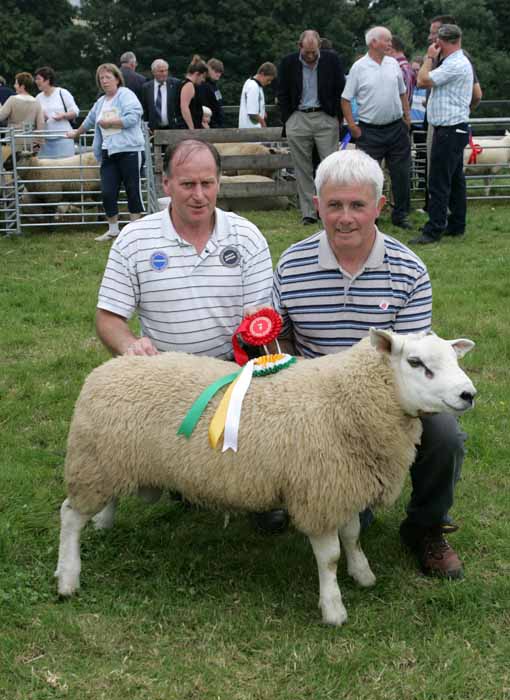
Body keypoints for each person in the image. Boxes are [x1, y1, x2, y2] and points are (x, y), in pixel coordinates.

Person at [272, 149, 467, 579]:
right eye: (334, 205)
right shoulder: (291, 264)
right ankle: (282, 497)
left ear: (378, 207)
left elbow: (416, 360)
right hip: (311, 399)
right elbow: (277, 334)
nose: (345, 217)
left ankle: (426, 527)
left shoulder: (409, 270)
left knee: (445, 434)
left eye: (358, 205)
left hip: (388, 401)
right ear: (317, 203)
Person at [342, 26, 413, 231]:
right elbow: (345, 99)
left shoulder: (393, 65)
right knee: (368, 177)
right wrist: (353, 126)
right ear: (373, 43)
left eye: (390, 40)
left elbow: (402, 93)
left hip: (396, 129)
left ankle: (401, 215)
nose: (390, 43)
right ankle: (369, 217)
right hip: (369, 131)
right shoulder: (359, 67)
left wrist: (407, 119)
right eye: (386, 40)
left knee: (401, 174)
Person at [66, 63, 145, 242]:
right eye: (101, 78)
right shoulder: (101, 102)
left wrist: (111, 123)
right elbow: (89, 120)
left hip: (130, 150)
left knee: (133, 189)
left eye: (108, 77)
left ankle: (135, 232)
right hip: (108, 152)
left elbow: (134, 116)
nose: (104, 81)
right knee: (108, 191)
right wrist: (75, 133)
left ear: (117, 79)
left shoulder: (126, 94)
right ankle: (113, 230)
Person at [410, 25, 473, 244]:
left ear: (442, 43)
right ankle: (456, 225)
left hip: (449, 129)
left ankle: (434, 229)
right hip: (452, 129)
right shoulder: (456, 62)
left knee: (438, 181)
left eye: (436, 42)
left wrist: (428, 57)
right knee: (455, 181)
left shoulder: (454, 63)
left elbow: (422, 80)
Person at [278, 30, 345, 225]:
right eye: (307, 52)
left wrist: (336, 117)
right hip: (298, 117)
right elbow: (281, 92)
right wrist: (288, 119)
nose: (310, 56)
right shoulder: (288, 63)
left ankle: (331, 208)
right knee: (302, 168)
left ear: (319, 46)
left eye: (314, 51)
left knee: (330, 167)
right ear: (300, 47)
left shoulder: (331, 61)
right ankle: (308, 212)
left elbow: (340, 88)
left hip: (325, 117)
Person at [34, 66, 79, 158]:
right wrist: (40, 117)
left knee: (65, 168)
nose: (36, 81)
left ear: (47, 80)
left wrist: (63, 115)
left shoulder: (62, 92)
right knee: (46, 170)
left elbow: (75, 111)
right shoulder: (38, 97)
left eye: (39, 79)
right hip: (45, 141)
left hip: (63, 138)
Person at [141, 58, 180, 131]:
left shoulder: (175, 84)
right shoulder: (146, 88)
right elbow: (145, 108)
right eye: (161, 71)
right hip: (153, 130)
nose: (164, 73)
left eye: (166, 70)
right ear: (153, 72)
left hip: (173, 128)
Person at [238, 62, 277, 129]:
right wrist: (263, 122)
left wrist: (262, 111)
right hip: (251, 129)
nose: (269, 83)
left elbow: (254, 104)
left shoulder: (254, 83)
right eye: (268, 80)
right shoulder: (253, 86)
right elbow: (252, 113)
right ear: (262, 74)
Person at [176, 56, 208, 129]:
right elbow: (184, 107)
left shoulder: (184, 83)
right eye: (203, 77)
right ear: (197, 74)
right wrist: (191, 127)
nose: (203, 80)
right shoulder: (189, 85)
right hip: (187, 128)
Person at [196, 58, 225, 128]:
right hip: (209, 125)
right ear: (209, 69)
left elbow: (219, 103)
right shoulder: (203, 85)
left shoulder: (214, 85)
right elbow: (203, 107)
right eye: (216, 71)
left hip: (218, 124)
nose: (218, 74)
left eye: (220, 72)